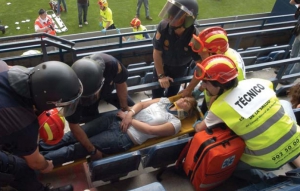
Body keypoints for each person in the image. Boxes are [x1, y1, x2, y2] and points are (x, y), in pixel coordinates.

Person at [193, 55, 300, 183]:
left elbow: (199, 129)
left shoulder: (219, 107)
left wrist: (196, 123)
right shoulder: (259, 82)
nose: (203, 86)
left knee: (227, 161)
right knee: (283, 104)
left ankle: (268, 180)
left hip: (269, 160)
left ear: (219, 84)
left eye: (205, 82)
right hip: (297, 143)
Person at [41, 96, 200, 165]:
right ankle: (37, 150)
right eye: (184, 98)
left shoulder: (175, 123)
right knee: (73, 134)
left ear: (188, 112)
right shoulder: (164, 101)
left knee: (77, 149)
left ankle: (39, 162)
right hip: (117, 118)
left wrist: (130, 119)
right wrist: (129, 113)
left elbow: (151, 130)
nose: (183, 100)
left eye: (187, 103)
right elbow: (142, 105)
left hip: (125, 136)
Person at [0, 60, 82, 191]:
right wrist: (45, 166)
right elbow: (35, 162)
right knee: (20, 168)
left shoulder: (7, 69)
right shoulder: (24, 123)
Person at [40, 53, 135, 161]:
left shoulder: (111, 65)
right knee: (87, 129)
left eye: (91, 97)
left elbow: (120, 83)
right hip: (80, 99)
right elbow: (74, 125)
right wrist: (92, 150)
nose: (90, 100)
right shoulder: (70, 92)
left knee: (132, 107)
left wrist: (125, 108)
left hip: (107, 91)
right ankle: (41, 152)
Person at [181, 26, 246, 113]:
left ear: (214, 52)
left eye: (202, 51)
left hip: (222, 103)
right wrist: (198, 90)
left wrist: (209, 115)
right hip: (212, 93)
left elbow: (223, 95)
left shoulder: (229, 68)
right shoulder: (221, 58)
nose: (199, 53)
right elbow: (210, 78)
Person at [152, 0, 201, 98]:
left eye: (177, 15)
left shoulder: (194, 37)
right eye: (171, 13)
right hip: (161, 66)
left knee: (172, 97)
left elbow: (201, 66)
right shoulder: (163, 26)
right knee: (156, 96)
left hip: (179, 70)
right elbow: (157, 52)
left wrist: (189, 89)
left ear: (188, 20)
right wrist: (161, 75)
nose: (170, 17)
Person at [279, 0, 300, 85]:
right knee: (293, 54)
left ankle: (289, 80)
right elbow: (292, 2)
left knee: (298, 60)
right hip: (299, 33)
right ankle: (286, 74)